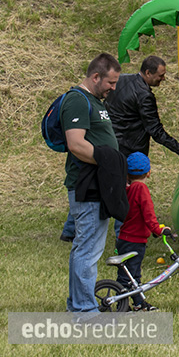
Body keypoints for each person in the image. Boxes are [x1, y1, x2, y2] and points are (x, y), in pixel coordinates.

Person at [62, 55, 179, 242]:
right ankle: (125, 236)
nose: (163, 79)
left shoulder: (120, 81)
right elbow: (155, 130)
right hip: (128, 149)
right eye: (160, 76)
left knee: (90, 187)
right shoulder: (144, 95)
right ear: (147, 73)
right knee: (126, 192)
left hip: (105, 143)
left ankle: (70, 229)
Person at [62, 53, 122, 313]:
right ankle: (84, 310)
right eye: (110, 82)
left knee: (86, 249)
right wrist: (108, 161)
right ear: (95, 76)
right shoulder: (77, 100)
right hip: (87, 187)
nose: (113, 88)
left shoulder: (95, 101)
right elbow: (76, 144)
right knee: (87, 250)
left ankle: (78, 305)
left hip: (98, 184)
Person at [116, 152, 170, 311]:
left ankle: (138, 303)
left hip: (125, 238)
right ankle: (125, 304)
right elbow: (148, 214)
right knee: (129, 276)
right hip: (134, 241)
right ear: (149, 172)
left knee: (131, 275)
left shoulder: (129, 188)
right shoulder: (141, 189)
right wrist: (158, 229)